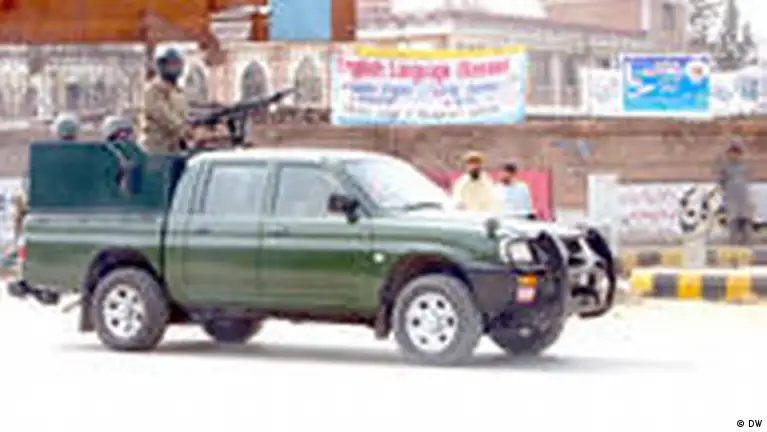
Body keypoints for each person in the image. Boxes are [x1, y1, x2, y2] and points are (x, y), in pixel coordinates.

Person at [139, 47, 193, 153]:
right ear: (162, 66)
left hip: (175, 147)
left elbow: (185, 115)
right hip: (156, 148)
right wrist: (187, 130)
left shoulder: (177, 91)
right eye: (171, 64)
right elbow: (164, 116)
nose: (174, 68)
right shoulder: (154, 89)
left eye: (177, 64)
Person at [717, 141, 753, 245]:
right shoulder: (725, 168)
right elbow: (721, 181)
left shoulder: (744, 167)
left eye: (736, 153)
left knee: (745, 222)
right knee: (733, 221)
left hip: (744, 198)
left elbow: (747, 181)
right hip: (732, 198)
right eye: (731, 153)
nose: (733, 155)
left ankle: (747, 243)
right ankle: (733, 243)